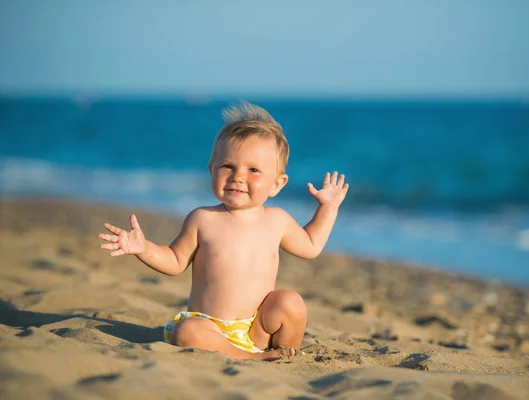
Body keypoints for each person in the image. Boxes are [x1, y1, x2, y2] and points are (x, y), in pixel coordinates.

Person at [98, 102, 349, 360]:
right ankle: (251, 358)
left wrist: (328, 208)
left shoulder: (277, 220)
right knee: (186, 331)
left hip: (256, 330)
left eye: (253, 170)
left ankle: (284, 352)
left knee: (290, 302)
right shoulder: (203, 218)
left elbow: (311, 245)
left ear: (276, 184)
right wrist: (144, 248)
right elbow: (175, 261)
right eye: (228, 166)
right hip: (208, 328)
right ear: (212, 170)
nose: (238, 177)